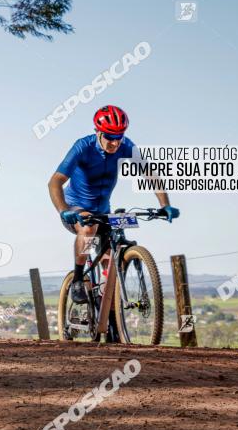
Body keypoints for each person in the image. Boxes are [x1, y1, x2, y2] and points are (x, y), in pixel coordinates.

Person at [48, 105, 180, 304]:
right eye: (110, 136)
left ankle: (106, 301)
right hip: (75, 208)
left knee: (113, 249)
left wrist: (165, 204)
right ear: (98, 132)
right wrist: (63, 210)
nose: (115, 142)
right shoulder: (83, 147)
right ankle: (77, 279)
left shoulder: (126, 146)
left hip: (103, 210)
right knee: (89, 228)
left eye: (119, 136)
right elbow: (55, 181)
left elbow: (150, 174)